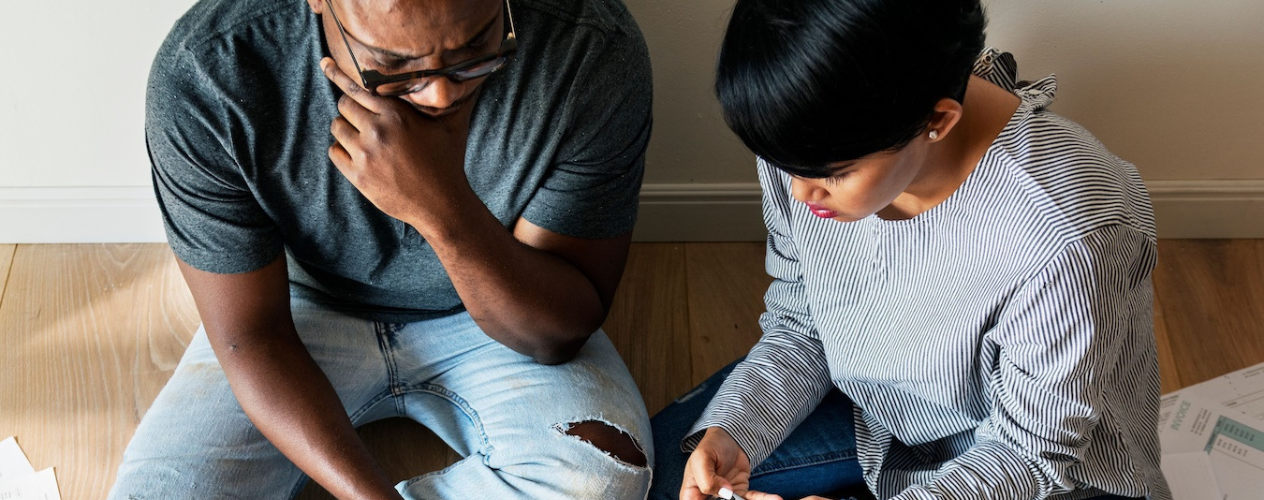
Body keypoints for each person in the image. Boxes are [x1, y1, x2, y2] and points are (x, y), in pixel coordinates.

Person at [109, 0, 654, 498]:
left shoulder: (591, 46)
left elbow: (555, 336)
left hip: (499, 297)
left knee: (602, 477)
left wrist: (443, 210)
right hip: (295, 313)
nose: (440, 94)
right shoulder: (209, 72)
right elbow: (250, 337)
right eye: (392, 64)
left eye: (476, 49)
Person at [649, 1, 1171, 499]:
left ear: (938, 121)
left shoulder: (1066, 234)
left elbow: (1033, 451)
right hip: (877, 414)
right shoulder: (804, 139)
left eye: (833, 174)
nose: (799, 194)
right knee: (661, 471)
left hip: (1041, 476)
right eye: (785, 165)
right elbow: (804, 320)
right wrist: (736, 429)